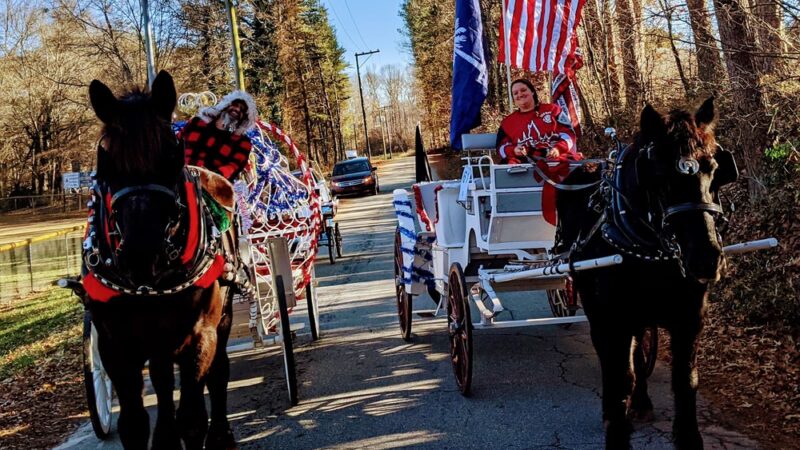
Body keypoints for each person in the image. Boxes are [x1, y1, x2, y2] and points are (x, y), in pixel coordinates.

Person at [179, 90, 258, 180]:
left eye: (242, 110)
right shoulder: (197, 123)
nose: (237, 109)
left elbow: (233, 166)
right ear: (226, 105)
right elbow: (177, 142)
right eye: (235, 104)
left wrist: (211, 175)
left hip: (210, 186)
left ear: (244, 118)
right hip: (179, 176)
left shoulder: (242, 142)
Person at [496, 78, 578, 164]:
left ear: (532, 92)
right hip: (524, 163)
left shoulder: (553, 110)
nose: (519, 94)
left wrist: (558, 149)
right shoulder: (507, 123)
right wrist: (514, 150)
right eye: (515, 93)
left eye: (523, 90)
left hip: (556, 158)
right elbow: (500, 148)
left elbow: (569, 134)